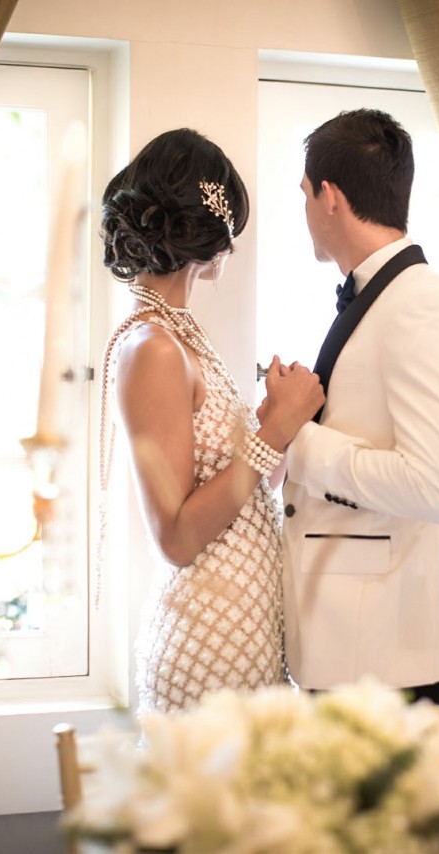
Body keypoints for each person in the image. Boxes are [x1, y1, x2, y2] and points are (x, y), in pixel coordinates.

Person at [99, 128, 324, 715]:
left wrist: (275, 424)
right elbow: (177, 538)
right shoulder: (152, 347)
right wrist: (272, 432)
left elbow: (241, 497)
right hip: (208, 646)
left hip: (246, 631)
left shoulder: (182, 336)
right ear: (210, 230)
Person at [279, 109, 439, 707]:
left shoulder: (426, 306)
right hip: (352, 640)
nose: (305, 209)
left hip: (385, 650)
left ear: (330, 197)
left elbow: (432, 486)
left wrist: (298, 438)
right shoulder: (387, 297)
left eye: (304, 194)